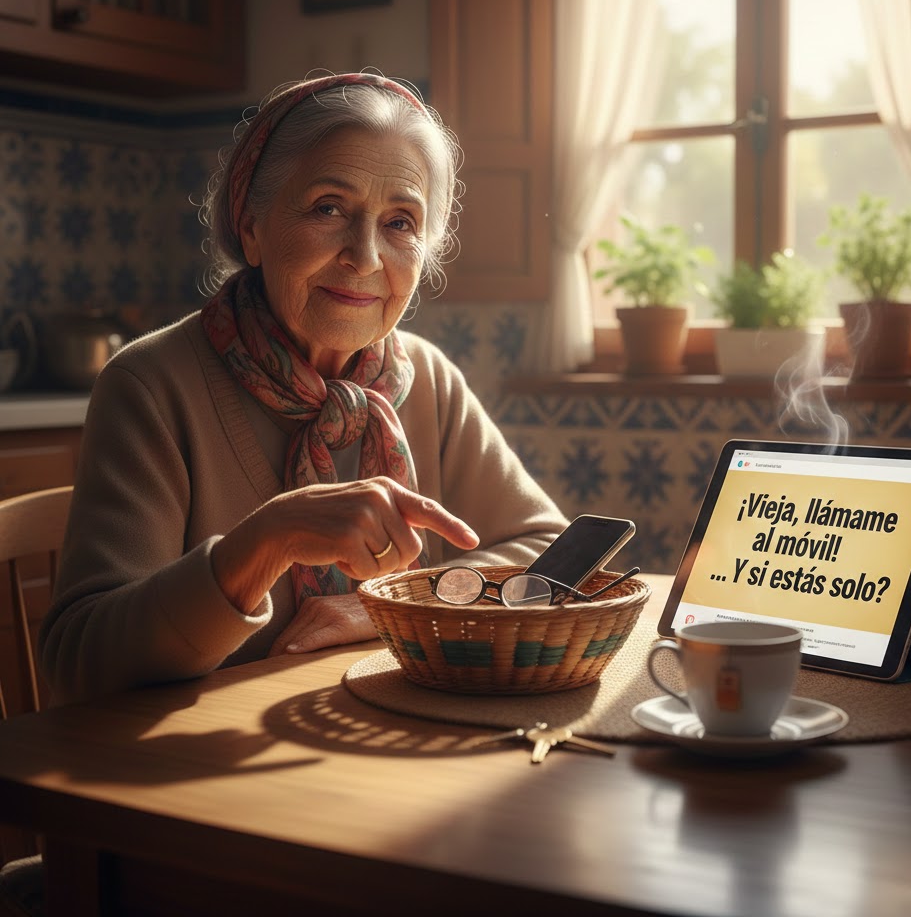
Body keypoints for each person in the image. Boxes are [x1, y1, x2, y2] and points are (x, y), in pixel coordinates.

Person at [39, 71, 567, 705]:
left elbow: (555, 552)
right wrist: (265, 543)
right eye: (328, 208)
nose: (366, 255)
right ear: (252, 225)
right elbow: (78, 661)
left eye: (401, 222)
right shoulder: (151, 385)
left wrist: (389, 609)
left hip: (383, 744)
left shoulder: (425, 378)